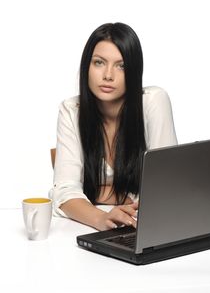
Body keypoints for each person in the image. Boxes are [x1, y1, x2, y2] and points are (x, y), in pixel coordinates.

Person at [50, 22, 177, 231]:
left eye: (122, 66)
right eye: (99, 63)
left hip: (149, 227)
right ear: (86, 67)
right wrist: (101, 218)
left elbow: (166, 187)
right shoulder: (71, 110)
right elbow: (63, 193)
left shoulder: (154, 101)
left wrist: (97, 192)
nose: (108, 75)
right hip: (94, 231)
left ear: (134, 72)